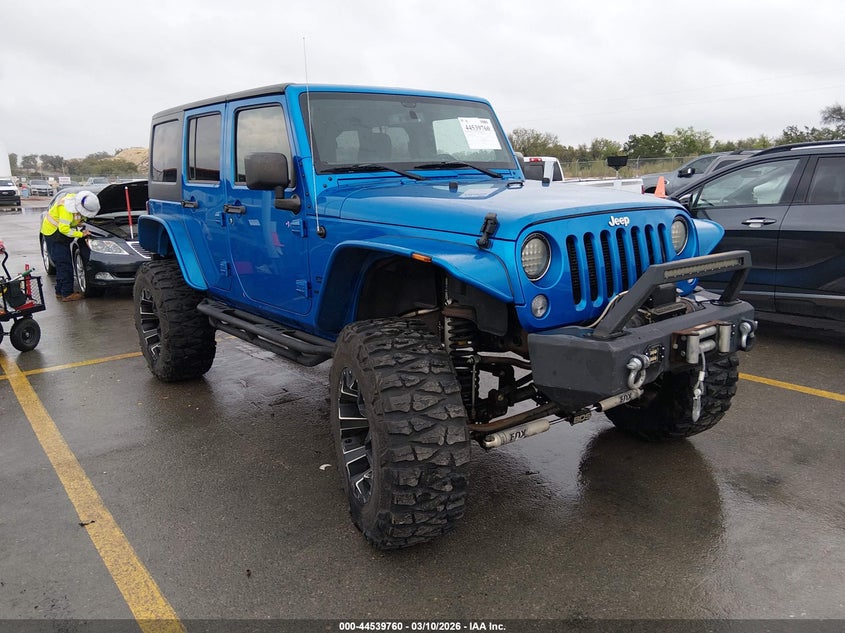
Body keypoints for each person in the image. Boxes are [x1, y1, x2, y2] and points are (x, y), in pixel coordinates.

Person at [40, 190, 100, 302]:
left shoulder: (78, 200)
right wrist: (81, 234)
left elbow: (75, 218)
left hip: (56, 233)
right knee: (64, 264)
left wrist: (79, 222)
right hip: (53, 234)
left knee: (61, 264)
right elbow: (64, 229)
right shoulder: (66, 209)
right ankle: (67, 294)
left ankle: (59, 291)